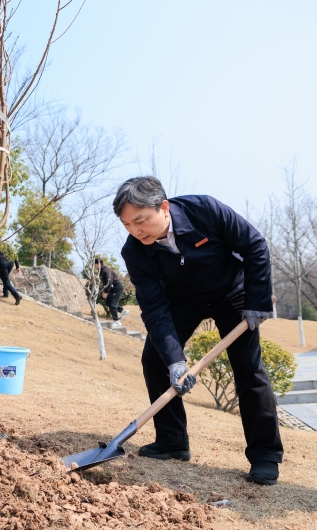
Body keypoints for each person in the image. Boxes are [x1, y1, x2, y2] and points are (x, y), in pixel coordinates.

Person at [115, 176, 282, 486]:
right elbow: (153, 308)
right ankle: (172, 441)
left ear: (163, 207)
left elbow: (254, 245)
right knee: (155, 358)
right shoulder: (135, 252)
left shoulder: (204, 209)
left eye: (141, 221)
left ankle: (265, 455)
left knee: (248, 368)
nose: (136, 231)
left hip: (232, 292)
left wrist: (257, 301)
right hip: (182, 301)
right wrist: (175, 360)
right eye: (127, 225)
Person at [94, 258, 129, 328]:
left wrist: (105, 292)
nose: (94, 266)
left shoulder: (105, 270)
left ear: (99, 264)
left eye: (95, 265)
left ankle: (117, 321)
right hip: (113, 289)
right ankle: (123, 311)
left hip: (117, 288)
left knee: (112, 304)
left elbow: (109, 282)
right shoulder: (101, 270)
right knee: (108, 302)